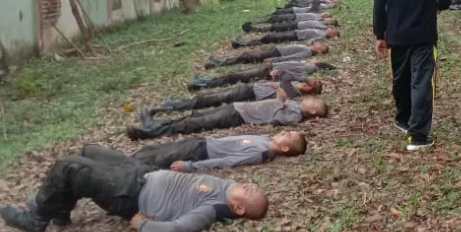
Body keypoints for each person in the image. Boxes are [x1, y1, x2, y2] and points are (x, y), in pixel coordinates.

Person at [0, 145, 268, 232]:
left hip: (130, 193)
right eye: (253, 187)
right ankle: (59, 210)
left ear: (239, 209)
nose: (251, 186)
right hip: (140, 172)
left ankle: (36, 220)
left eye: (251, 193)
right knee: (89, 151)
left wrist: (145, 225)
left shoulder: (212, 208)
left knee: (68, 167)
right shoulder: (225, 190)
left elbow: (178, 229)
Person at [373, 0, 452, 151]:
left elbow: (379, 6)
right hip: (424, 37)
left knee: (401, 79)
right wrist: (435, 6)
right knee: (421, 82)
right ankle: (417, 136)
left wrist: (380, 35)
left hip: (396, 37)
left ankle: (404, 119)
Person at [126, 88, 328, 140]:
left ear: (311, 111)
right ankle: (153, 123)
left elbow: (275, 121)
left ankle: (148, 132)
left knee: (193, 124)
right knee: (195, 116)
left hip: (239, 116)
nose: (312, 99)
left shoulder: (295, 116)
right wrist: (280, 98)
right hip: (238, 107)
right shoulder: (294, 105)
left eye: (315, 102)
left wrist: (281, 103)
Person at [130, 131, 307, 171]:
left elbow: (226, 161)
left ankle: (121, 169)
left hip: (200, 153)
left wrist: (190, 165)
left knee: (153, 159)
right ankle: (123, 161)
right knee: (150, 150)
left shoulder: (258, 153)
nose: (284, 131)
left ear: (285, 147)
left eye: (288, 135)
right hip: (201, 142)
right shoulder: (265, 139)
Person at [149, 76, 322, 116]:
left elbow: (283, 77)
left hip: (248, 93)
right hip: (250, 88)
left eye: (310, 84)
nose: (305, 82)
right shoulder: (292, 86)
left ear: (310, 90)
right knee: (210, 97)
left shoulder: (291, 91)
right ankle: (176, 104)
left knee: (209, 100)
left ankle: (171, 106)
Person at [188, 60, 335, 91]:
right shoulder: (305, 66)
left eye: (312, 83)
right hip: (270, 70)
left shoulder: (307, 69)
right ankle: (206, 80)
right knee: (236, 75)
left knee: (234, 77)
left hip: (267, 74)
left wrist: (274, 70)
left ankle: (203, 83)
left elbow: (286, 73)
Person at [205, 41, 328, 69]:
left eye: (321, 46)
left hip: (275, 54)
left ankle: (218, 63)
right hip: (275, 50)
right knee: (246, 55)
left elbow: (289, 58)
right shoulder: (308, 47)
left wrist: (273, 59)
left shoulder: (307, 53)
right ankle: (220, 62)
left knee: (246, 57)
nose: (319, 44)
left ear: (320, 52)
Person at [230, 27, 339, 48]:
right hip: (295, 32)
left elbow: (314, 40)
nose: (331, 29)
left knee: (268, 38)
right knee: (269, 37)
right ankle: (243, 41)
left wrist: (311, 41)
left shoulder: (323, 35)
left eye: (333, 30)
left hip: (294, 35)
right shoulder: (322, 31)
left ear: (333, 34)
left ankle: (241, 43)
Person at [241, 17, 338, 33]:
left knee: (275, 27)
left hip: (295, 27)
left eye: (330, 20)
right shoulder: (320, 20)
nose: (328, 18)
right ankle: (253, 24)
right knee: (274, 22)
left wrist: (329, 27)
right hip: (296, 22)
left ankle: (253, 29)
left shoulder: (321, 28)